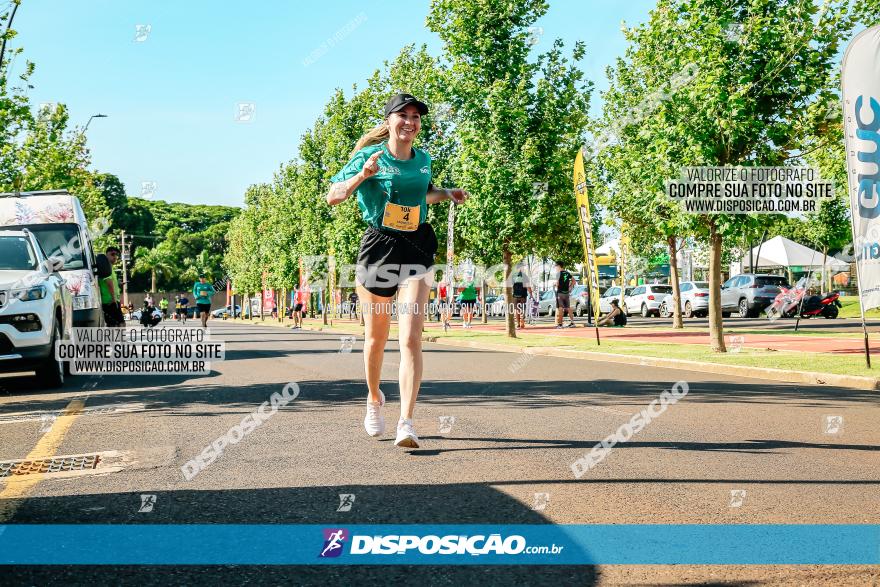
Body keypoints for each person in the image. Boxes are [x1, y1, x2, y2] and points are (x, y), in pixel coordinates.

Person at [326, 92, 468, 448]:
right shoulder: (368, 157)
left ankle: (407, 422)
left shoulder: (424, 160)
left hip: (417, 245)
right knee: (376, 339)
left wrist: (447, 193)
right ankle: (374, 398)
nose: (410, 122)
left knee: (410, 338)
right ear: (389, 121)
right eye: (402, 115)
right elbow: (334, 196)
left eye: (416, 117)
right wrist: (363, 175)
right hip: (380, 247)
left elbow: (422, 195)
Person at [99, 246, 125, 327]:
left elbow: (110, 282)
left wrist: (118, 283)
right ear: (106, 255)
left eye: (116, 255)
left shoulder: (110, 268)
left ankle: (116, 339)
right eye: (112, 254)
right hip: (109, 301)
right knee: (120, 323)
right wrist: (114, 299)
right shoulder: (105, 267)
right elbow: (108, 282)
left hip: (112, 300)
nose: (115, 257)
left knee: (114, 324)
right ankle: (119, 339)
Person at [554, 260, 577, 328]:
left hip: (560, 293)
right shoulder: (567, 273)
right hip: (566, 293)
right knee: (568, 308)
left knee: (560, 308)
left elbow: (557, 283)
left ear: (558, 266)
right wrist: (570, 287)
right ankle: (572, 323)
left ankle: (560, 324)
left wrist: (555, 284)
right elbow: (574, 281)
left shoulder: (558, 273)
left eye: (556, 266)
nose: (555, 268)